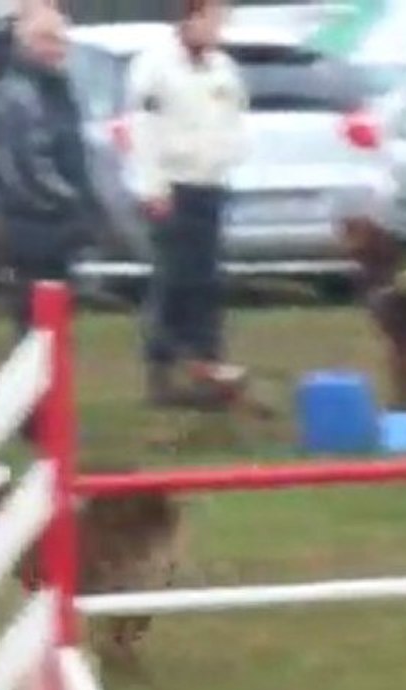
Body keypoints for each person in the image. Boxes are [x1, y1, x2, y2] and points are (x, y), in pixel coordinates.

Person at [126, 0, 248, 408]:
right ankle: (162, 369)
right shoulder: (155, 67)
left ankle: (207, 364)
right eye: (212, 19)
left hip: (209, 184)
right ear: (190, 18)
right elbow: (143, 131)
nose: (218, 28)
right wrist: (152, 187)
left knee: (207, 280)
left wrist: (229, 161)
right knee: (173, 280)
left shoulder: (224, 69)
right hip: (172, 187)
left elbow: (233, 119)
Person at [0, 8, 99, 337]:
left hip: (58, 221)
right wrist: (69, 199)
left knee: (56, 318)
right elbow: (25, 165)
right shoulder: (15, 93)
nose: (56, 49)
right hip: (32, 223)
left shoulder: (59, 87)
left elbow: (73, 150)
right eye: (47, 40)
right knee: (34, 318)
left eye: (61, 41)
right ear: (27, 42)